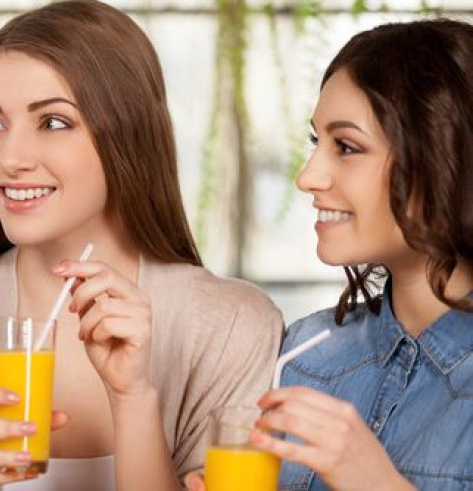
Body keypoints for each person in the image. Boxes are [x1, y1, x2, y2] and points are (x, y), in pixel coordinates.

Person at [0, 1, 284, 489]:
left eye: (52, 122)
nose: (9, 158)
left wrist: (134, 397)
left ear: (128, 134)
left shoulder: (232, 326)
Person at [187, 18, 473, 491]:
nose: (307, 177)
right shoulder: (302, 354)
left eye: (346, 147)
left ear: (443, 160)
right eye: (316, 143)